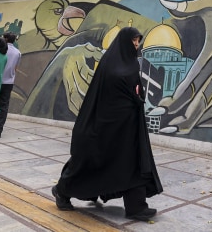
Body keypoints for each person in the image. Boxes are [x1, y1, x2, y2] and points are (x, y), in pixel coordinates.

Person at [52, 26, 162, 221]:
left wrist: (137, 99)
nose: (136, 44)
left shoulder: (131, 64)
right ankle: (62, 191)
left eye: (138, 41)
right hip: (106, 129)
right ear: (123, 41)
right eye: (133, 41)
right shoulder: (110, 65)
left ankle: (136, 206)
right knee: (92, 164)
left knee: (132, 162)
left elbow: (136, 93)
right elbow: (110, 98)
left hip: (128, 127)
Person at [0, 32, 21, 138]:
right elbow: (15, 68)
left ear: (6, 39)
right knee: (4, 106)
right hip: (8, 82)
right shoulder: (18, 53)